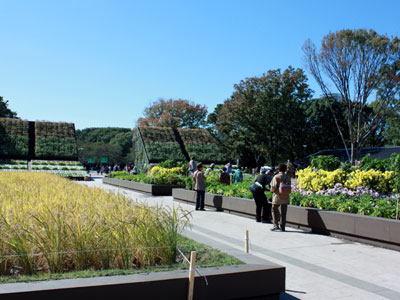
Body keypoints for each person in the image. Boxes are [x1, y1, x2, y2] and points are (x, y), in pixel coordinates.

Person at [270, 163, 291, 231]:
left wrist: (272, 191)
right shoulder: (288, 177)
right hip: (286, 196)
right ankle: (283, 226)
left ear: (279, 169)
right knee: (284, 212)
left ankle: (275, 225)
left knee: (274, 209)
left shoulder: (276, 177)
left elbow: (273, 187)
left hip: (277, 196)